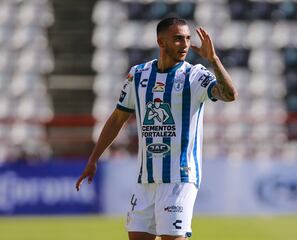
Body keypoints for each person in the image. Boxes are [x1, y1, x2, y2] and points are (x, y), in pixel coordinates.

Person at [76, 17, 238, 240]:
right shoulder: (139, 75)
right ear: (161, 42)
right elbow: (117, 118)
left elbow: (230, 94)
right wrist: (93, 158)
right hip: (146, 180)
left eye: (188, 39)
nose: (185, 44)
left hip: (179, 179)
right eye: (178, 39)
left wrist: (214, 60)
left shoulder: (195, 75)